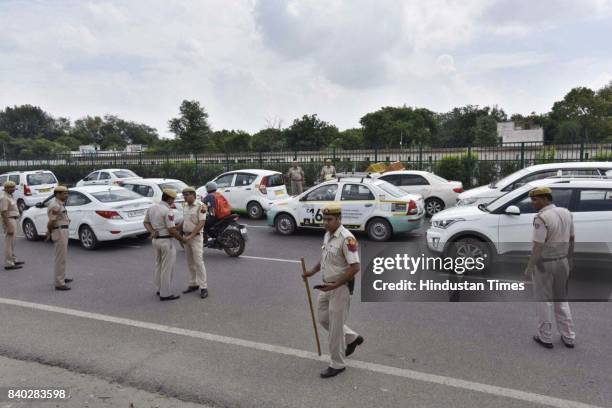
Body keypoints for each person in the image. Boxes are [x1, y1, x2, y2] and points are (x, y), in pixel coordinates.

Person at [303, 204, 364, 378]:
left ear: (339, 219)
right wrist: (311, 272)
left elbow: (355, 267)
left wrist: (335, 285)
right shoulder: (327, 235)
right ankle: (352, 337)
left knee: (336, 329)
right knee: (323, 318)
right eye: (324, 219)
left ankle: (337, 364)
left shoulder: (347, 239)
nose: (326, 223)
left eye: (329, 220)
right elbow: (324, 258)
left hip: (340, 288)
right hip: (326, 285)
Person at [525, 186, 576, 349]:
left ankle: (545, 337)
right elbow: (572, 238)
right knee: (561, 300)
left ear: (545, 198)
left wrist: (529, 267)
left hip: (545, 264)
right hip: (563, 262)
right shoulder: (566, 213)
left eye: (535, 199)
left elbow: (538, 246)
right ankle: (568, 336)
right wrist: (570, 258)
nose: (533, 203)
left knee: (544, 301)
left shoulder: (542, 218)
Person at [144, 188, 186, 301]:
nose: (173, 201)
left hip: (156, 241)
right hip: (166, 242)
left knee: (159, 265)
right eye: (173, 199)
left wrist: (152, 231)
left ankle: (159, 288)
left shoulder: (152, 207)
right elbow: (171, 230)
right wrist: (182, 239)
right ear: (169, 199)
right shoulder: (167, 211)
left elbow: (146, 222)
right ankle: (165, 293)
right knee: (167, 268)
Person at [179, 186, 209, 299]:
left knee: (198, 262)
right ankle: (193, 283)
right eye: (184, 195)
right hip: (186, 237)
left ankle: (203, 287)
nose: (185, 197)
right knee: (190, 262)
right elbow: (185, 221)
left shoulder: (201, 206)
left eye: (187, 194)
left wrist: (191, 235)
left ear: (193, 195)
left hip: (195, 237)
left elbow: (202, 223)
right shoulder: (185, 206)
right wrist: (179, 231)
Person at [45, 186, 72, 290]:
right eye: (64, 193)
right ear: (57, 194)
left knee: (63, 257)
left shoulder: (59, 204)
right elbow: (51, 221)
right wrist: (49, 232)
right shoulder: (55, 205)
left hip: (63, 230)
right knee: (60, 258)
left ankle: (62, 277)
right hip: (59, 231)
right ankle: (59, 283)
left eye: (67, 193)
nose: (66, 195)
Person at [1, 181, 24, 270]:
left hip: (13, 219)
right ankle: (8, 263)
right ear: (7, 188)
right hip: (9, 220)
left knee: (13, 243)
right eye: (12, 188)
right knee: (9, 243)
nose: (14, 189)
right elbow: (4, 212)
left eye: (14, 187)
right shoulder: (4, 198)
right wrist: (8, 226)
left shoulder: (9, 196)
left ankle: (13, 259)